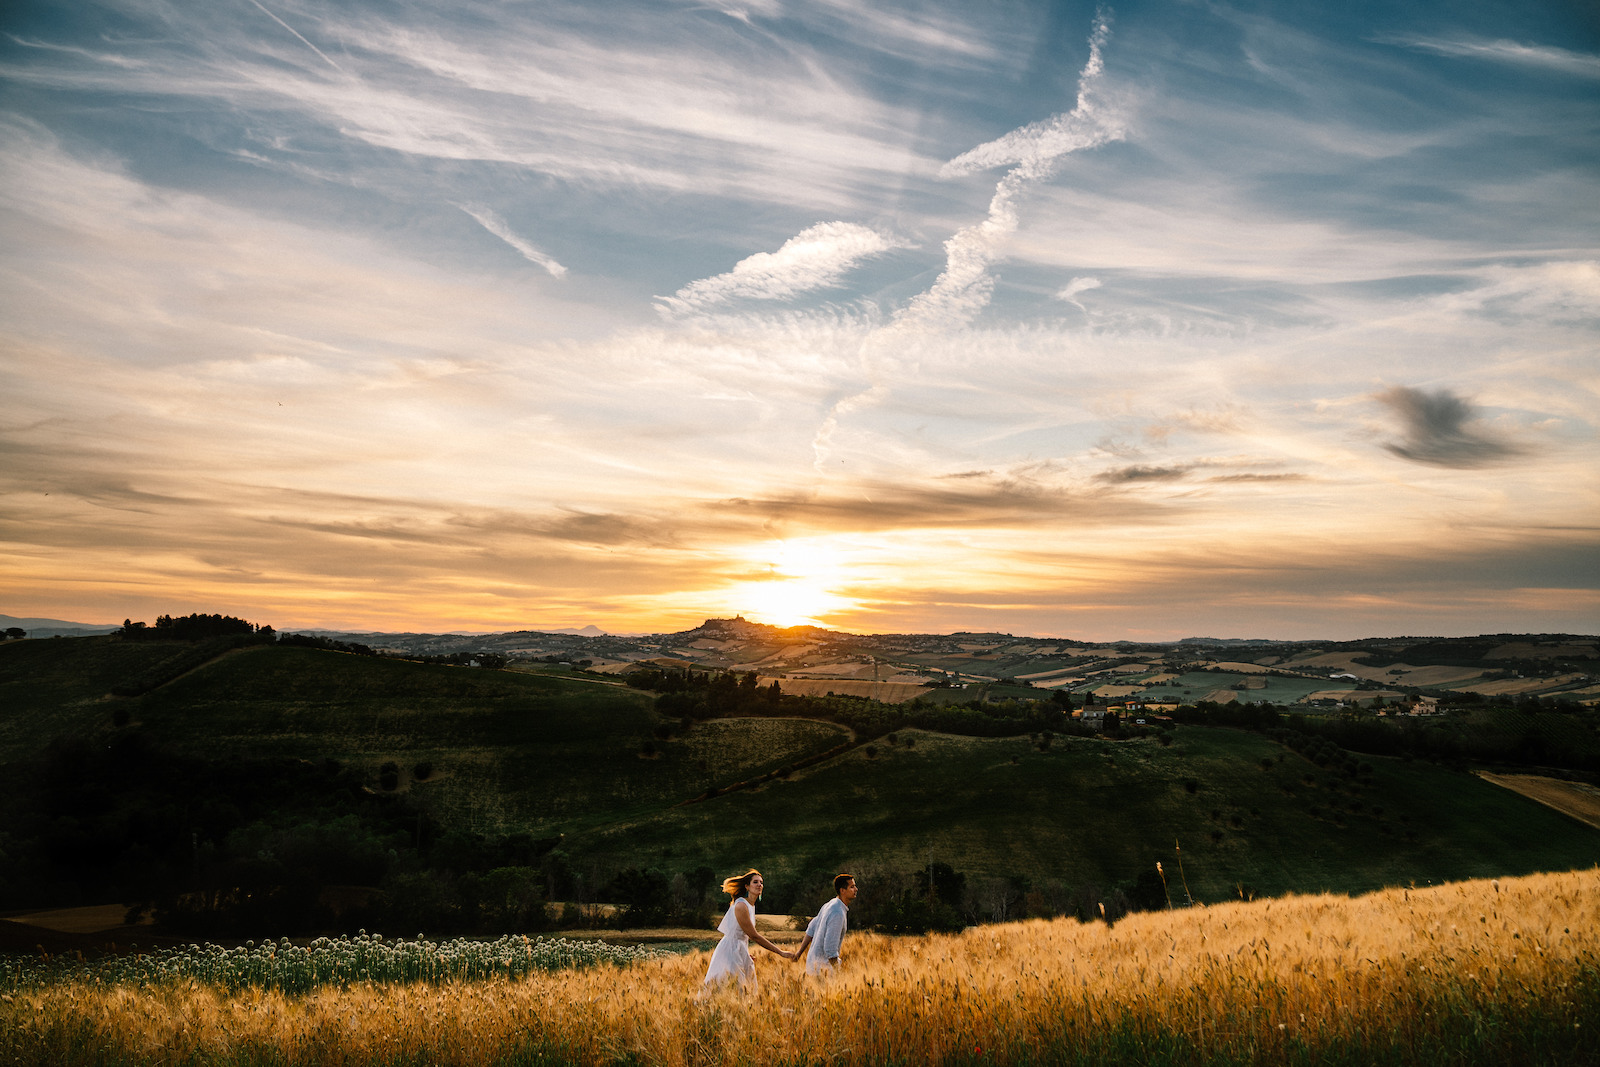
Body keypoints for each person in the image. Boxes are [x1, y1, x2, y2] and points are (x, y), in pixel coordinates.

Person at [701, 869, 794, 992]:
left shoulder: (750, 905)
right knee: (732, 988)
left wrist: (744, 952)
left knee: (744, 989)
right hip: (730, 951)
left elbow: (741, 934)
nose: (759, 885)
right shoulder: (741, 905)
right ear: (747, 886)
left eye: (761, 882)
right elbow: (753, 936)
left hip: (738, 949)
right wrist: (780, 952)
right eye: (755, 882)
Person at [794, 873, 856, 975]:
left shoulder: (829, 904)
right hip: (824, 970)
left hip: (812, 965)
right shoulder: (838, 913)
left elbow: (811, 928)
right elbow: (830, 948)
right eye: (852, 887)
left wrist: (799, 953)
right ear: (842, 891)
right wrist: (838, 972)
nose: (856, 889)